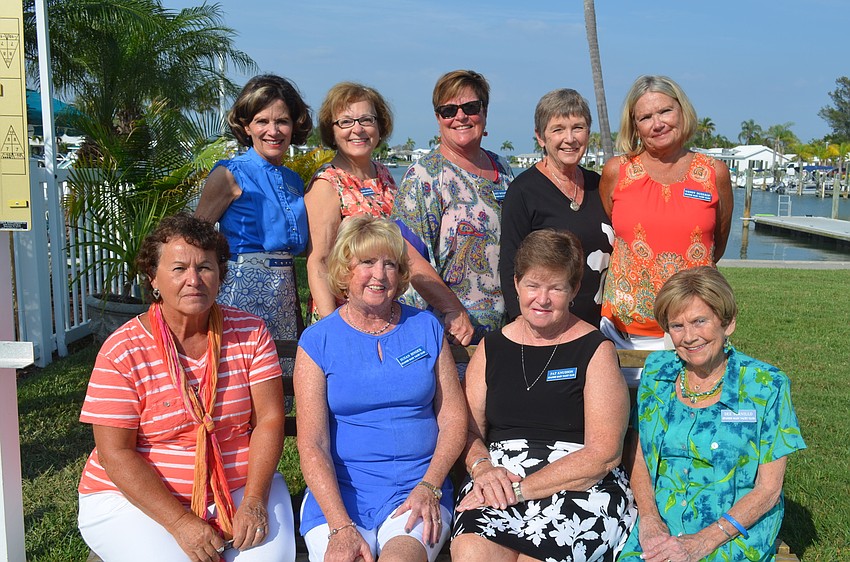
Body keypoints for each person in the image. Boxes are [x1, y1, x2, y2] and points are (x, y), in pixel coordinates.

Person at [77, 214, 294, 562]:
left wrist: (254, 500)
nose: (194, 280)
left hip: (240, 487)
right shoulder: (124, 349)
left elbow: (269, 419)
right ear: (154, 278)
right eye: (178, 268)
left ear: (220, 275)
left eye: (205, 267)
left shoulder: (250, 332)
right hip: (137, 500)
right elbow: (115, 453)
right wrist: (179, 522)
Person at [451, 229, 636, 561]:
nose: (542, 299)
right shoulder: (491, 348)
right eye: (533, 286)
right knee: (471, 552)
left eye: (556, 288)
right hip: (498, 477)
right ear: (517, 283)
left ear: (574, 290)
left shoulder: (595, 351)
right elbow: (467, 430)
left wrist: (521, 491)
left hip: (579, 483)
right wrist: (482, 469)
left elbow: (604, 454)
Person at [295, 216, 466, 562]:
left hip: (416, 490)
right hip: (339, 496)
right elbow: (312, 442)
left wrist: (430, 485)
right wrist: (341, 526)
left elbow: (452, 418)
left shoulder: (425, 328)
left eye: (390, 264)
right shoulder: (318, 340)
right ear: (344, 270)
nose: (379, 274)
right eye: (367, 263)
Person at [619, 266, 806, 561]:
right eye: (677, 326)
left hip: (732, 530)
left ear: (727, 323)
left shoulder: (765, 385)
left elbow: (769, 490)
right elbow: (640, 453)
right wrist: (650, 519)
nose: (689, 337)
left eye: (700, 321)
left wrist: (702, 543)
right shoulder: (658, 372)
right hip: (662, 525)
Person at [599, 75, 734, 386]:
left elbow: (718, 244)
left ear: (682, 112)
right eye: (645, 117)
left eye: (665, 112)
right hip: (626, 330)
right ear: (634, 126)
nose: (657, 123)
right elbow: (618, 231)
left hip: (695, 330)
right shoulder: (617, 171)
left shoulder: (713, 173)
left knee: (690, 420)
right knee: (626, 421)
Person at [391, 69, 514, 348]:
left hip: (500, 331)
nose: (460, 117)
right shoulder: (425, 175)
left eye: (470, 107)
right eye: (448, 110)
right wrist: (452, 310)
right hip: (445, 331)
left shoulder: (503, 169)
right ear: (438, 119)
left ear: (484, 112)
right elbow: (407, 254)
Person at [195, 73, 312, 343]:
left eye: (282, 121)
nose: (273, 131)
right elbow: (196, 239)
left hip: (284, 291)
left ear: (294, 126)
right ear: (246, 127)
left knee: (282, 373)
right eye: (262, 121)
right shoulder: (229, 174)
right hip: (240, 289)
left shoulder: (294, 180)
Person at [500, 88, 613, 328]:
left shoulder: (599, 185)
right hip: (546, 328)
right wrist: (522, 326)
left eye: (578, 127)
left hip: (601, 328)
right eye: (558, 129)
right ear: (541, 137)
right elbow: (510, 263)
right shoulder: (523, 191)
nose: (569, 138)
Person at [306, 82, 397, 323]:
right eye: (346, 122)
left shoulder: (385, 175)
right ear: (332, 131)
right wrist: (332, 326)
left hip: (384, 309)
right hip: (344, 315)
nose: (357, 129)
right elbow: (318, 261)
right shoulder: (327, 183)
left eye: (366, 120)